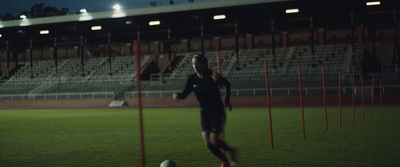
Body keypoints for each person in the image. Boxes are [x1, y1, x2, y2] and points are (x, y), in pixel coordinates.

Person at [173, 54, 237, 167]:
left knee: (214, 141)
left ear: (204, 64)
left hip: (217, 111)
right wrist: (178, 95)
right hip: (204, 113)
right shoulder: (192, 79)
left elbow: (227, 83)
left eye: (197, 63)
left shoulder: (212, 75)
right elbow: (184, 94)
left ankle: (232, 150)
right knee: (207, 142)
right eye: (193, 63)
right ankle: (225, 162)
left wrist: (227, 100)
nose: (195, 66)